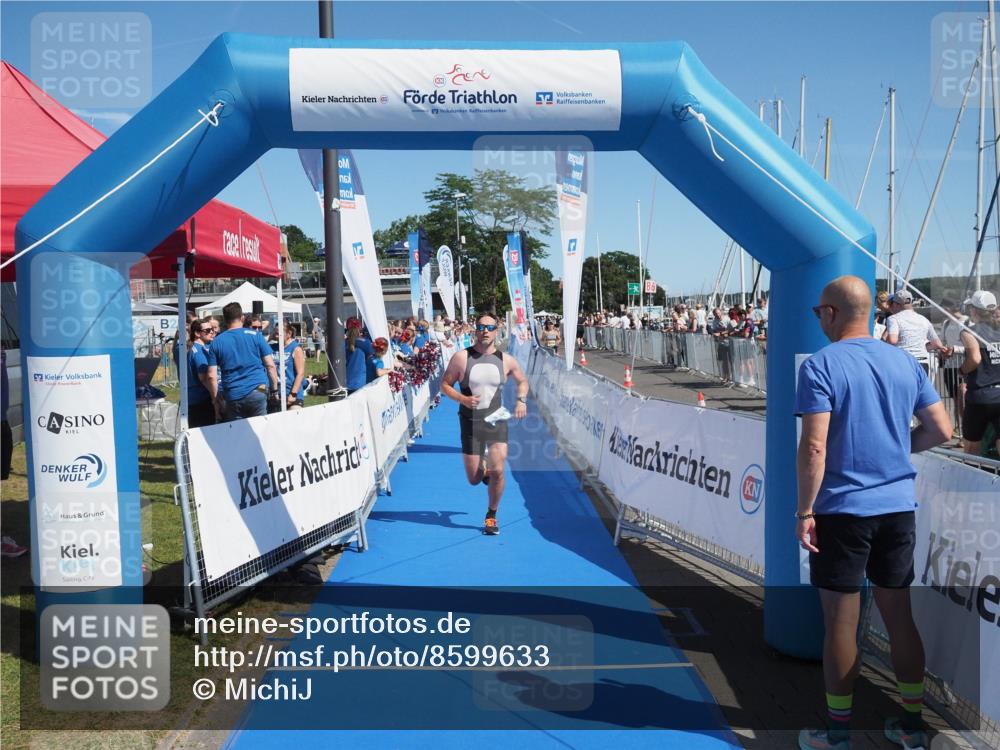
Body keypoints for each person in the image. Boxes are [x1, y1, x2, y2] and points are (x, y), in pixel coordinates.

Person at [795, 276, 952, 750]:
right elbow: (942, 430)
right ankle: (912, 726)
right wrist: (894, 450)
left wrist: (805, 510)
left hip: (842, 510)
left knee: (841, 626)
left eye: (819, 312)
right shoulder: (904, 362)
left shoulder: (822, 364)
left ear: (830, 313)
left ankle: (838, 734)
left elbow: (815, 446)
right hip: (897, 506)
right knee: (899, 617)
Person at [440, 312, 529, 536]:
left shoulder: (506, 360)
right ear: (475, 329)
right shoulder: (461, 357)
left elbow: (522, 381)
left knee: (499, 470)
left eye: (490, 327)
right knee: (474, 479)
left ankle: (491, 515)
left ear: (496, 331)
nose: (485, 331)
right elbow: (445, 385)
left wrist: (521, 400)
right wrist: (462, 399)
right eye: (481, 327)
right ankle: (484, 472)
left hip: (497, 419)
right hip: (470, 421)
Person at [206, 302, 280, 421]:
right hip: (258, 390)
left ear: (225, 320)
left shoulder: (216, 342)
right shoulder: (256, 336)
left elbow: (211, 376)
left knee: (238, 435)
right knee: (259, 431)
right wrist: (275, 390)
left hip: (233, 394)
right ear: (242, 318)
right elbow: (270, 366)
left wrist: (216, 400)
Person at [958, 290, 1000, 457]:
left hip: (980, 396)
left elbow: (974, 358)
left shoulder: (969, 332)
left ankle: (970, 479)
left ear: (974, 311)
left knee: (971, 446)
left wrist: (962, 370)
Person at [884, 290, 945, 372]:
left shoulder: (893, 318)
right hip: (923, 362)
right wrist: (923, 347)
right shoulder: (924, 319)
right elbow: (937, 344)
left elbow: (892, 340)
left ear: (896, 304)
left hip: (904, 361)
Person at [185, 319, 216, 428]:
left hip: (195, 400)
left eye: (212, 329)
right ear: (197, 333)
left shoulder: (197, 348)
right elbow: (204, 378)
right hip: (201, 401)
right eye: (207, 330)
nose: (211, 332)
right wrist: (216, 397)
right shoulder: (198, 352)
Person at [276, 322, 306, 411]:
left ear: (289, 334)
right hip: (277, 395)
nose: (276, 336)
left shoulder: (296, 349)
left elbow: (300, 373)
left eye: (278, 333)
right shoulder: (272, 347)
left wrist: (293, 394)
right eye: (275, 333)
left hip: (292, 395)